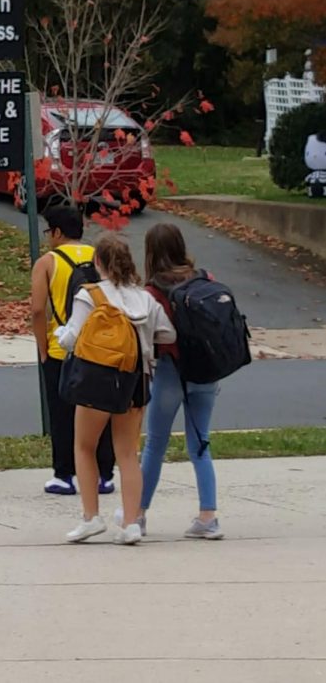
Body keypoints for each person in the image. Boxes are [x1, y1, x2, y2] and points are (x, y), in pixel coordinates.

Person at [58, 234, 176, 545]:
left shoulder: (90, 295)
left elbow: (71, 338)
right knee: (127, 453)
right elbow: (168, 333)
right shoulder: (145, 298)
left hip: (97, 379)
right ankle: (131, 522)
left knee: (84, 447)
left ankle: (90, 517)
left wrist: (60, 334)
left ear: (98, 262)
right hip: (135, 380)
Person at [139, 222, 223, 539]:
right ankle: (208, 516)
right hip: (206, 369)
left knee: (156, 444)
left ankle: (139, 514)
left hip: (171, 370)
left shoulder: (153, 292)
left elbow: (152, 338)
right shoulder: (206, 279)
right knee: (200, 443)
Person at [31, 205, 115, 495]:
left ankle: (64, 474)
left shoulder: (46, 262)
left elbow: (38, 310)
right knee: (99, 411)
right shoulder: (98, 256)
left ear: (56, 232)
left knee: (62, 414)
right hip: (98, 348)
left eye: (48, 231)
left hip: (60, 349)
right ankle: (104, 474)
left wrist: (42, 348)